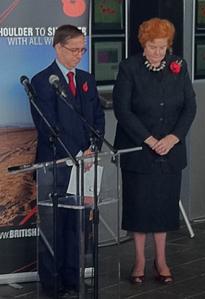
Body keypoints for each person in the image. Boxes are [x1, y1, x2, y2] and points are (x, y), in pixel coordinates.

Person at [113, 18, 196, 284]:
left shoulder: (179, 67)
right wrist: (148, 139)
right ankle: (139, 260)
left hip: (170, 151)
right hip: (139, 149)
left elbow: (189, 107)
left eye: (162, 47)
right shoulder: (129, 68)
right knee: (139, 208)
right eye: (152, 46)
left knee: (163, 207)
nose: (158, 52)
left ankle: (161, 259)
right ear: (143, 44)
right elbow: (122, 110)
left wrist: (173, 137)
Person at [30, 25, 105, 297]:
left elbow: (97, 116)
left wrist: (92, 148)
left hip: (85, 165)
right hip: (57, 165)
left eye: (82, 50)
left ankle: (75, 280)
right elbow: (48, 124)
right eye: (74, 50)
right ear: (58, 48)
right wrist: (76, 153)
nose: (79, 55)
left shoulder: (87, 78)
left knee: (79, 228)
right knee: (55, 229)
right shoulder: (41, 81)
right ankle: (53, 285)